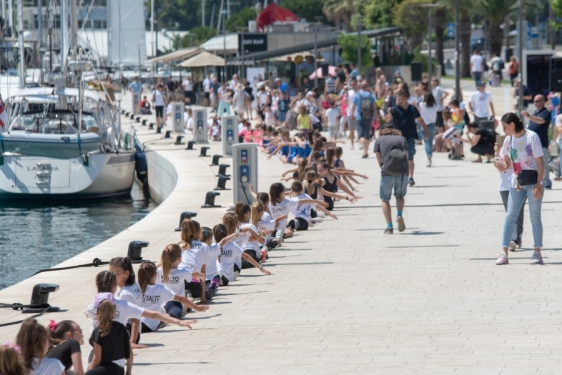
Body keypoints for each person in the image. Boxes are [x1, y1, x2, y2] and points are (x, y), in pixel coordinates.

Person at [494, 112, 544, 265]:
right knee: (510, 217)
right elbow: (508, 162)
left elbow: (540, 162)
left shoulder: (531, 137)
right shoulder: (508, 140)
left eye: (504, 127)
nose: (503, 131)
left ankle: (537, 252)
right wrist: (501, 165)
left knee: (535, 217)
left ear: (512, 125)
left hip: (533, 181)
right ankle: (504, 253)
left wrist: (539, 184)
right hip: (516, 182)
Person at [137, 260, 202, 333]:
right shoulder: (160, 288)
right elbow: (180, 298)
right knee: (170, 314)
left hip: (135, 322)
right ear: (156, 275)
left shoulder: (135, 288)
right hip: (149, 325)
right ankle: (187, 302)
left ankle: (187, 302)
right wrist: (196, 307)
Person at [384, 91, 429, 187]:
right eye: (398, 100)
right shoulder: (394, 109)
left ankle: (411, 177)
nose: (399, 101)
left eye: (401, 100)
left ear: (406, 99)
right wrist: (388, 113)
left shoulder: (412, 109)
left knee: (410, 158)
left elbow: (421, 120)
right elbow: (387, 120)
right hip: (397, 138)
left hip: (410, 137)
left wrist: (426, 132)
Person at [374, 125, 409, 234]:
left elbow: (379, 160)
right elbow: (406, 156)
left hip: (387, 172)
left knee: (385, 199)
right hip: (403, 173)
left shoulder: (379, 140)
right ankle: (399, 214)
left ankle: (389, 227)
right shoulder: (402, 139)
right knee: (399, 196)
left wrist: (384, 168)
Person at [87, 293, 131, 375]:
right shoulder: (121, 328)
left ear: (96, 312)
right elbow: (130, 353)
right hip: (120, 369)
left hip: (107, 369)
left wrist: (90, 372)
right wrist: (128, 372)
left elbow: (97, 360)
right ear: (114, 309)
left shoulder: (98, 331)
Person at [494, 137, 525, 251]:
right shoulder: (502, 148)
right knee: (509, 212)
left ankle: (515, 238)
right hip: (504, 184)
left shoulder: (519, 144)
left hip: (517, 182)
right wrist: (497, 153)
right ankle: (515, 237)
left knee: (517, 212)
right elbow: (498, 165)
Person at [108, 257, 144, 348]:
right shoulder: (134, 284)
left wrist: (132, 342)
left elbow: (135, 319)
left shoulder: (125, 294)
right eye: (111, 273)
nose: (112, 277)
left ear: (127, 273)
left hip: (129, 331)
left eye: (116, 274)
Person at [522, 94, 552, 189]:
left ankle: (546, 182)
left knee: (544, 163)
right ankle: (535, 180)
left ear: (543, 101)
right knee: (532, 163)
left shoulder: (545, 113)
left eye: (538, 101)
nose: (536, 103)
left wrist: (528, 116)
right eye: (534, 101)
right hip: (531, 144)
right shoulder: (535, 113)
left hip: (541, 142)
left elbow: (541, 121)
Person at [351, 81, 379, 158]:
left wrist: (352, 115)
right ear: (367, 87)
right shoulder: (371, 96)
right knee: (367, 135)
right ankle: (366, 151)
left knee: (361, 135)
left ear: (360, 87)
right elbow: (374, 108)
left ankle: (364, 151)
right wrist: (376, 117)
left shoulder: (357, 95)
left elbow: (353, 107)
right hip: (369, 117)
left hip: (359, 117)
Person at [419, 93, 437, 167]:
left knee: (427, 143)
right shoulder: (435, 105)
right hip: (432, 125)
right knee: (430, 142)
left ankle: (429, 158)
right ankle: (429, 156)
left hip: (424, 125)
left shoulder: (421, 104)